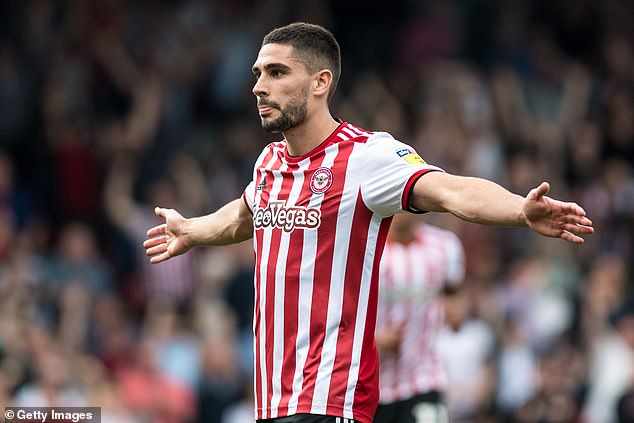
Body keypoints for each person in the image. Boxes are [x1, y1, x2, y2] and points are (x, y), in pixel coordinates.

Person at [143, 22, 594, 423]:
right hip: (274, 398)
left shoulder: (367, 155)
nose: (259, 86)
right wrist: (192, 230)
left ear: (321, 82)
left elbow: (449, 190)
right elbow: (244, 215)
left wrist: (519, 210)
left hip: (330, 397)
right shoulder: (269, 161)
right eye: (257, 74)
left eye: (276, 73)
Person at [374, 213, 466, 422]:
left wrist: (456, 312)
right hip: (371, 385)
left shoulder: (444, 246)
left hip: (424, 378)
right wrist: (375, 340)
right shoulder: (363, 247)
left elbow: (453, 292)